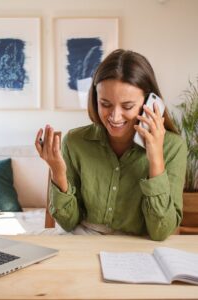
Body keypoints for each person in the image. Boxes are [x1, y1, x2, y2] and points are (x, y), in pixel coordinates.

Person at [35, 49, 187, 241]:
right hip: (83, 242)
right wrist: (57, 171)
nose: (114, 117)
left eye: (127, 106)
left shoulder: (173, 147)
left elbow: (161, 231)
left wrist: (155, 158)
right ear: (94, 99)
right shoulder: (75, 141)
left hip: (139, 246)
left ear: (150, 103)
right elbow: (68, 222)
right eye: (105, 104)